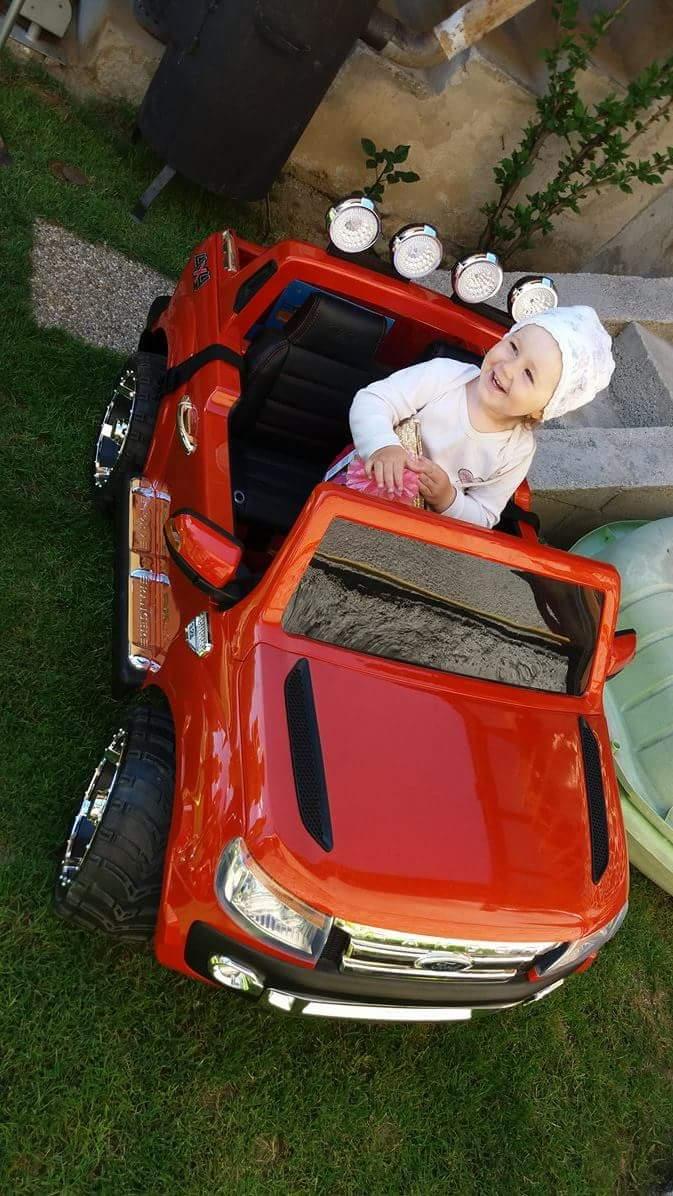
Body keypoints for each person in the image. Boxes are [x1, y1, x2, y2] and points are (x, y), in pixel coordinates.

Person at [349, 305, 615, 528]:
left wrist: (448, 499)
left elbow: (485, 515)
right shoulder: (445, 376)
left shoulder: (517, 452)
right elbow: (374, 399)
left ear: (543, 409)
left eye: (528, 374)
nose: (508, 368)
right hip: (360, 484)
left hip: (416, 526)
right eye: (514, 347)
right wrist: (382, 446)